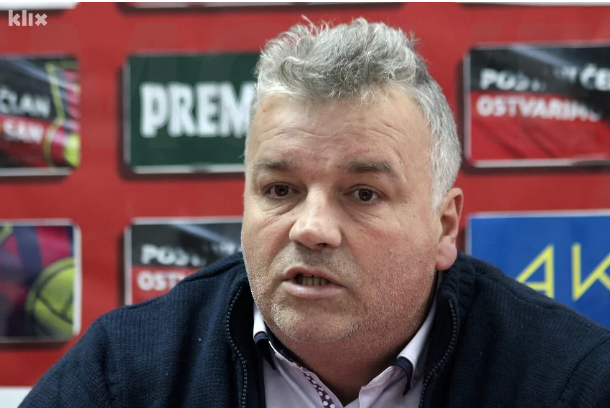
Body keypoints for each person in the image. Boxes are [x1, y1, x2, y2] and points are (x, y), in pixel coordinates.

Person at [21, 18, 610, 408]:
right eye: (280, 190)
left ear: (444, 226)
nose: (311, 228)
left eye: (363, 194)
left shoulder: (570, 381)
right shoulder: (125, 375)